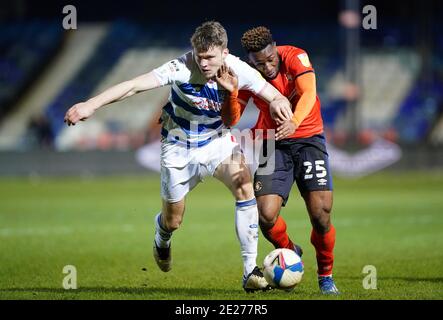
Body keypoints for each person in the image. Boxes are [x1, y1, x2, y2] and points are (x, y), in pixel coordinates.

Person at [64, 21, 293, 292]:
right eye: (200, 56)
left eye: (210, 57)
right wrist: (90, 104)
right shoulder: (180, 67)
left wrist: (280, 103)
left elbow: (274, 95)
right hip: (178, 147)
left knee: (245, 187)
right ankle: (162, 238)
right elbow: (133, 86)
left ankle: (249, 272)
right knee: (173, 220)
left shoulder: (238, 69)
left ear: (225, 53)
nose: (204, 63)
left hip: (216, 142)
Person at [220, 26, 339, 294]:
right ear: (250, 61)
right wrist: (230, 94)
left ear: (275, 47)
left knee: (321, 216)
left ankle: (325, 276)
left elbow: (308, 93)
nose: (268, 67)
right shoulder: (247, 74)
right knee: (266, 215)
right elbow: (232, 118)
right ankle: (289, 252)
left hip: (309, 138)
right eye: (259, 63)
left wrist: (294, 122)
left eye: (271, 59)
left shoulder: (295, 56)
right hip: (270, 143)